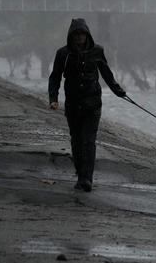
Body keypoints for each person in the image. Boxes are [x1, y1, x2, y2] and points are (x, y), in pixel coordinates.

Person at [48, 18, 126, 192]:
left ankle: (87, 179)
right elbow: (55, 77)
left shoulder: (97, 50)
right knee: (76, 141)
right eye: (76, 34)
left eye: (82, 34)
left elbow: (106, 73)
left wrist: (118, 91)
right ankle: (80, 174)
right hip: (73, 104)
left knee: (89, 141)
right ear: (71, 36)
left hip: (93, 104)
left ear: (87, 34)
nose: (79, 37)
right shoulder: (63, 54)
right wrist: (53, 98)